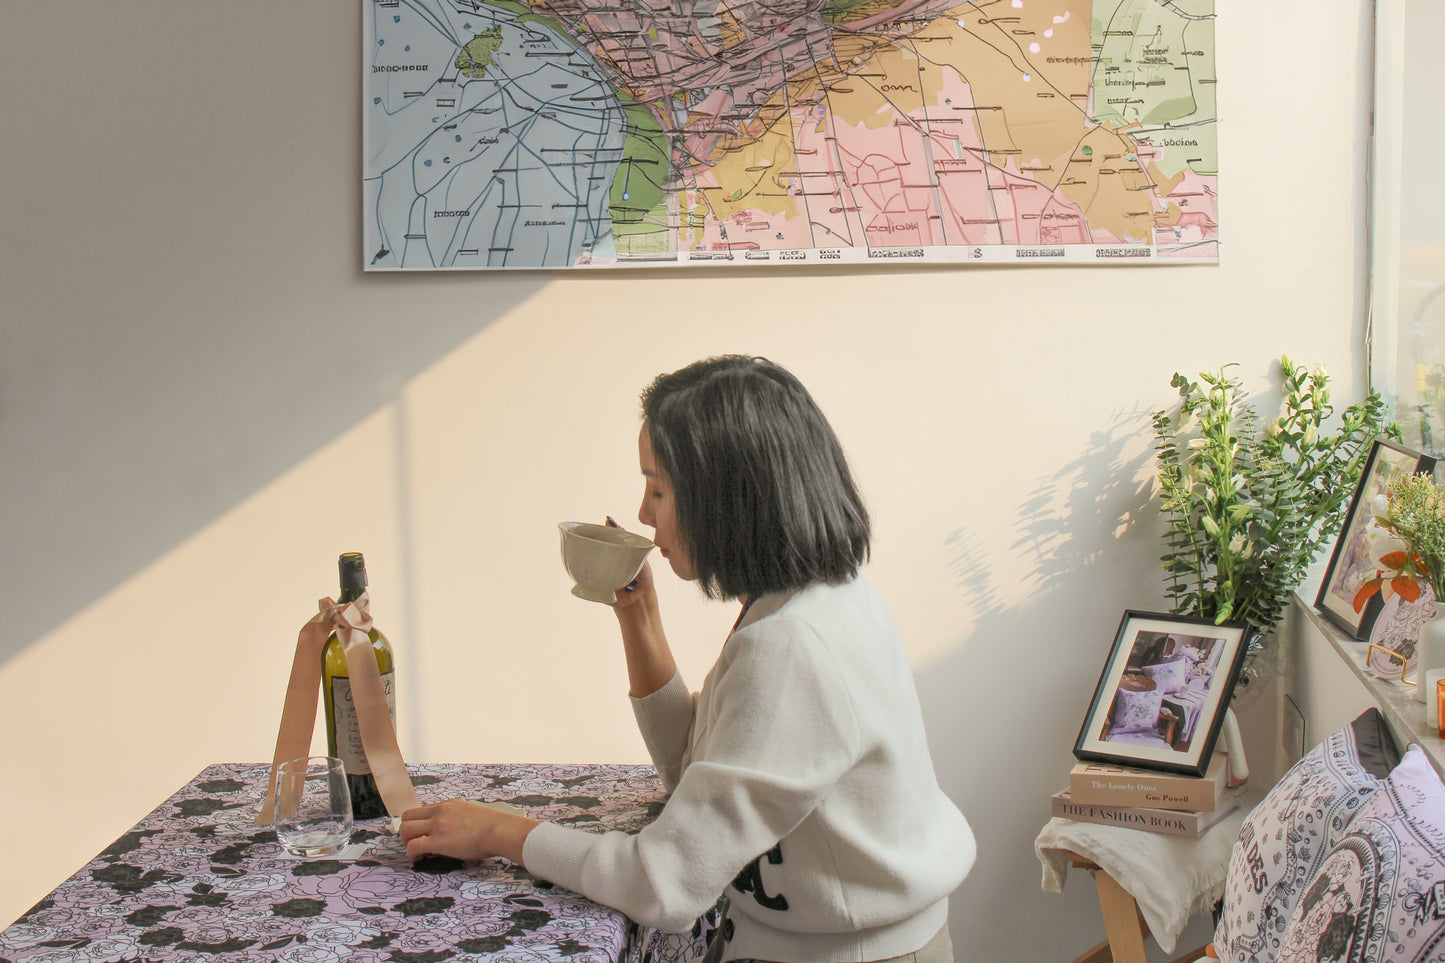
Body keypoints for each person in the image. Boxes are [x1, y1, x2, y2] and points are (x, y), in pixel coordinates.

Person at [400, 355, 975, 962]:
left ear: (725, 497)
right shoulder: (821, 598)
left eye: (658, 488)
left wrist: (501, 831)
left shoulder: (793, 646)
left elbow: (664, 882)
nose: (644, 513)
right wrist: (638, 619)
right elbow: (695, 772)